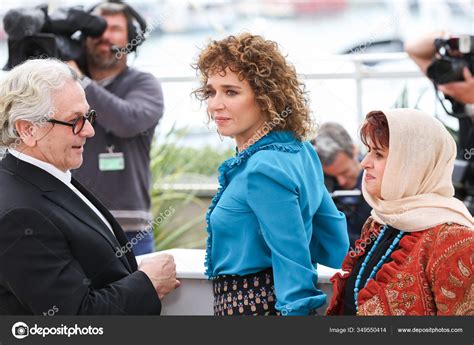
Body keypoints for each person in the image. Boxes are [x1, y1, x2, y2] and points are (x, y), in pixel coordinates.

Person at [0, 58, 179, 315]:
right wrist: (148, 284)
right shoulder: (18, 215)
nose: (89, 131)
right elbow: (74, 319)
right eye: (75, 121)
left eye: (89, 116)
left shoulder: (51, 177)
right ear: (28, 129)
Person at [193, 33, 349, 316]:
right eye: (210, 92)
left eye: (231, 91)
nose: (215, 104)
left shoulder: (262, 169)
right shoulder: (302, 151)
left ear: (266, 97)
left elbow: (293, 264)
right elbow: (335, 243)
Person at [326, 109, 473, 316]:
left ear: (412, 164)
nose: (364, 162)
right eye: (368, 150)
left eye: (378, 154)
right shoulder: (380, 221)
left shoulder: (455, 239)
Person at [68, 1, 164, 256]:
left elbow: (127, 121)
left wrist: (79, 81)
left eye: (115, 28)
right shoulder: (63, 89)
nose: (105, 35)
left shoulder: (144, 83)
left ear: (131, 37)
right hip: (74, 225)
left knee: (139, 295)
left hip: (131, 231)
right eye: (97, 28)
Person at [312, 122, 372, 248]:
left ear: (354, 150)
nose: (341, 182)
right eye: (332, 176)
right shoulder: (320, 185)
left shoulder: (379, 180)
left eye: (345, 172)